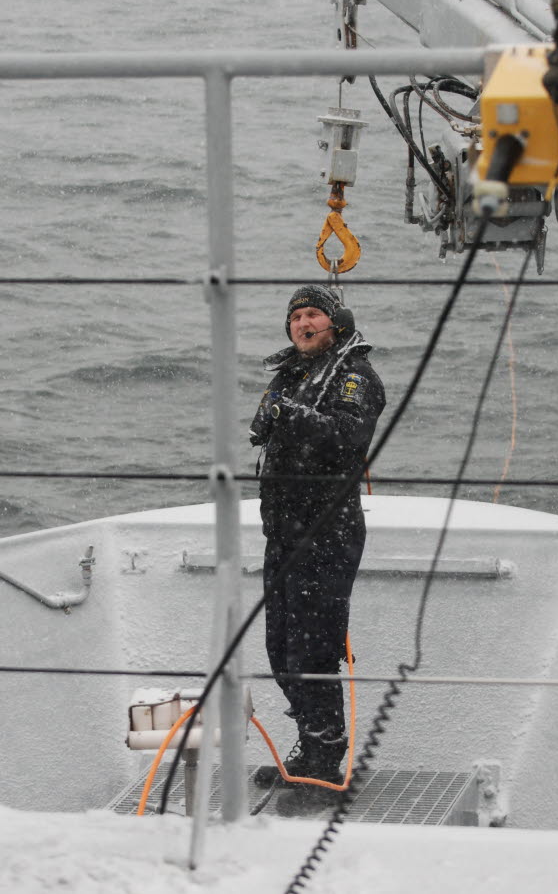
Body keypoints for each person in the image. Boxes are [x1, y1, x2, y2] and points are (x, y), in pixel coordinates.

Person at [249, 285, 385, 809]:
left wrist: (289, 416)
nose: (303, 324)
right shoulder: (291, 376)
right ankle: (308, 749)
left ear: (337, 322)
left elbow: (347, 437)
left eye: (313, 315)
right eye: (295, 317)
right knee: (280, 646)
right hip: (282, 532)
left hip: (327, 532)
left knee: (313, 647)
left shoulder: (355, 377)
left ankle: (327, 760)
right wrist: (275, 415)